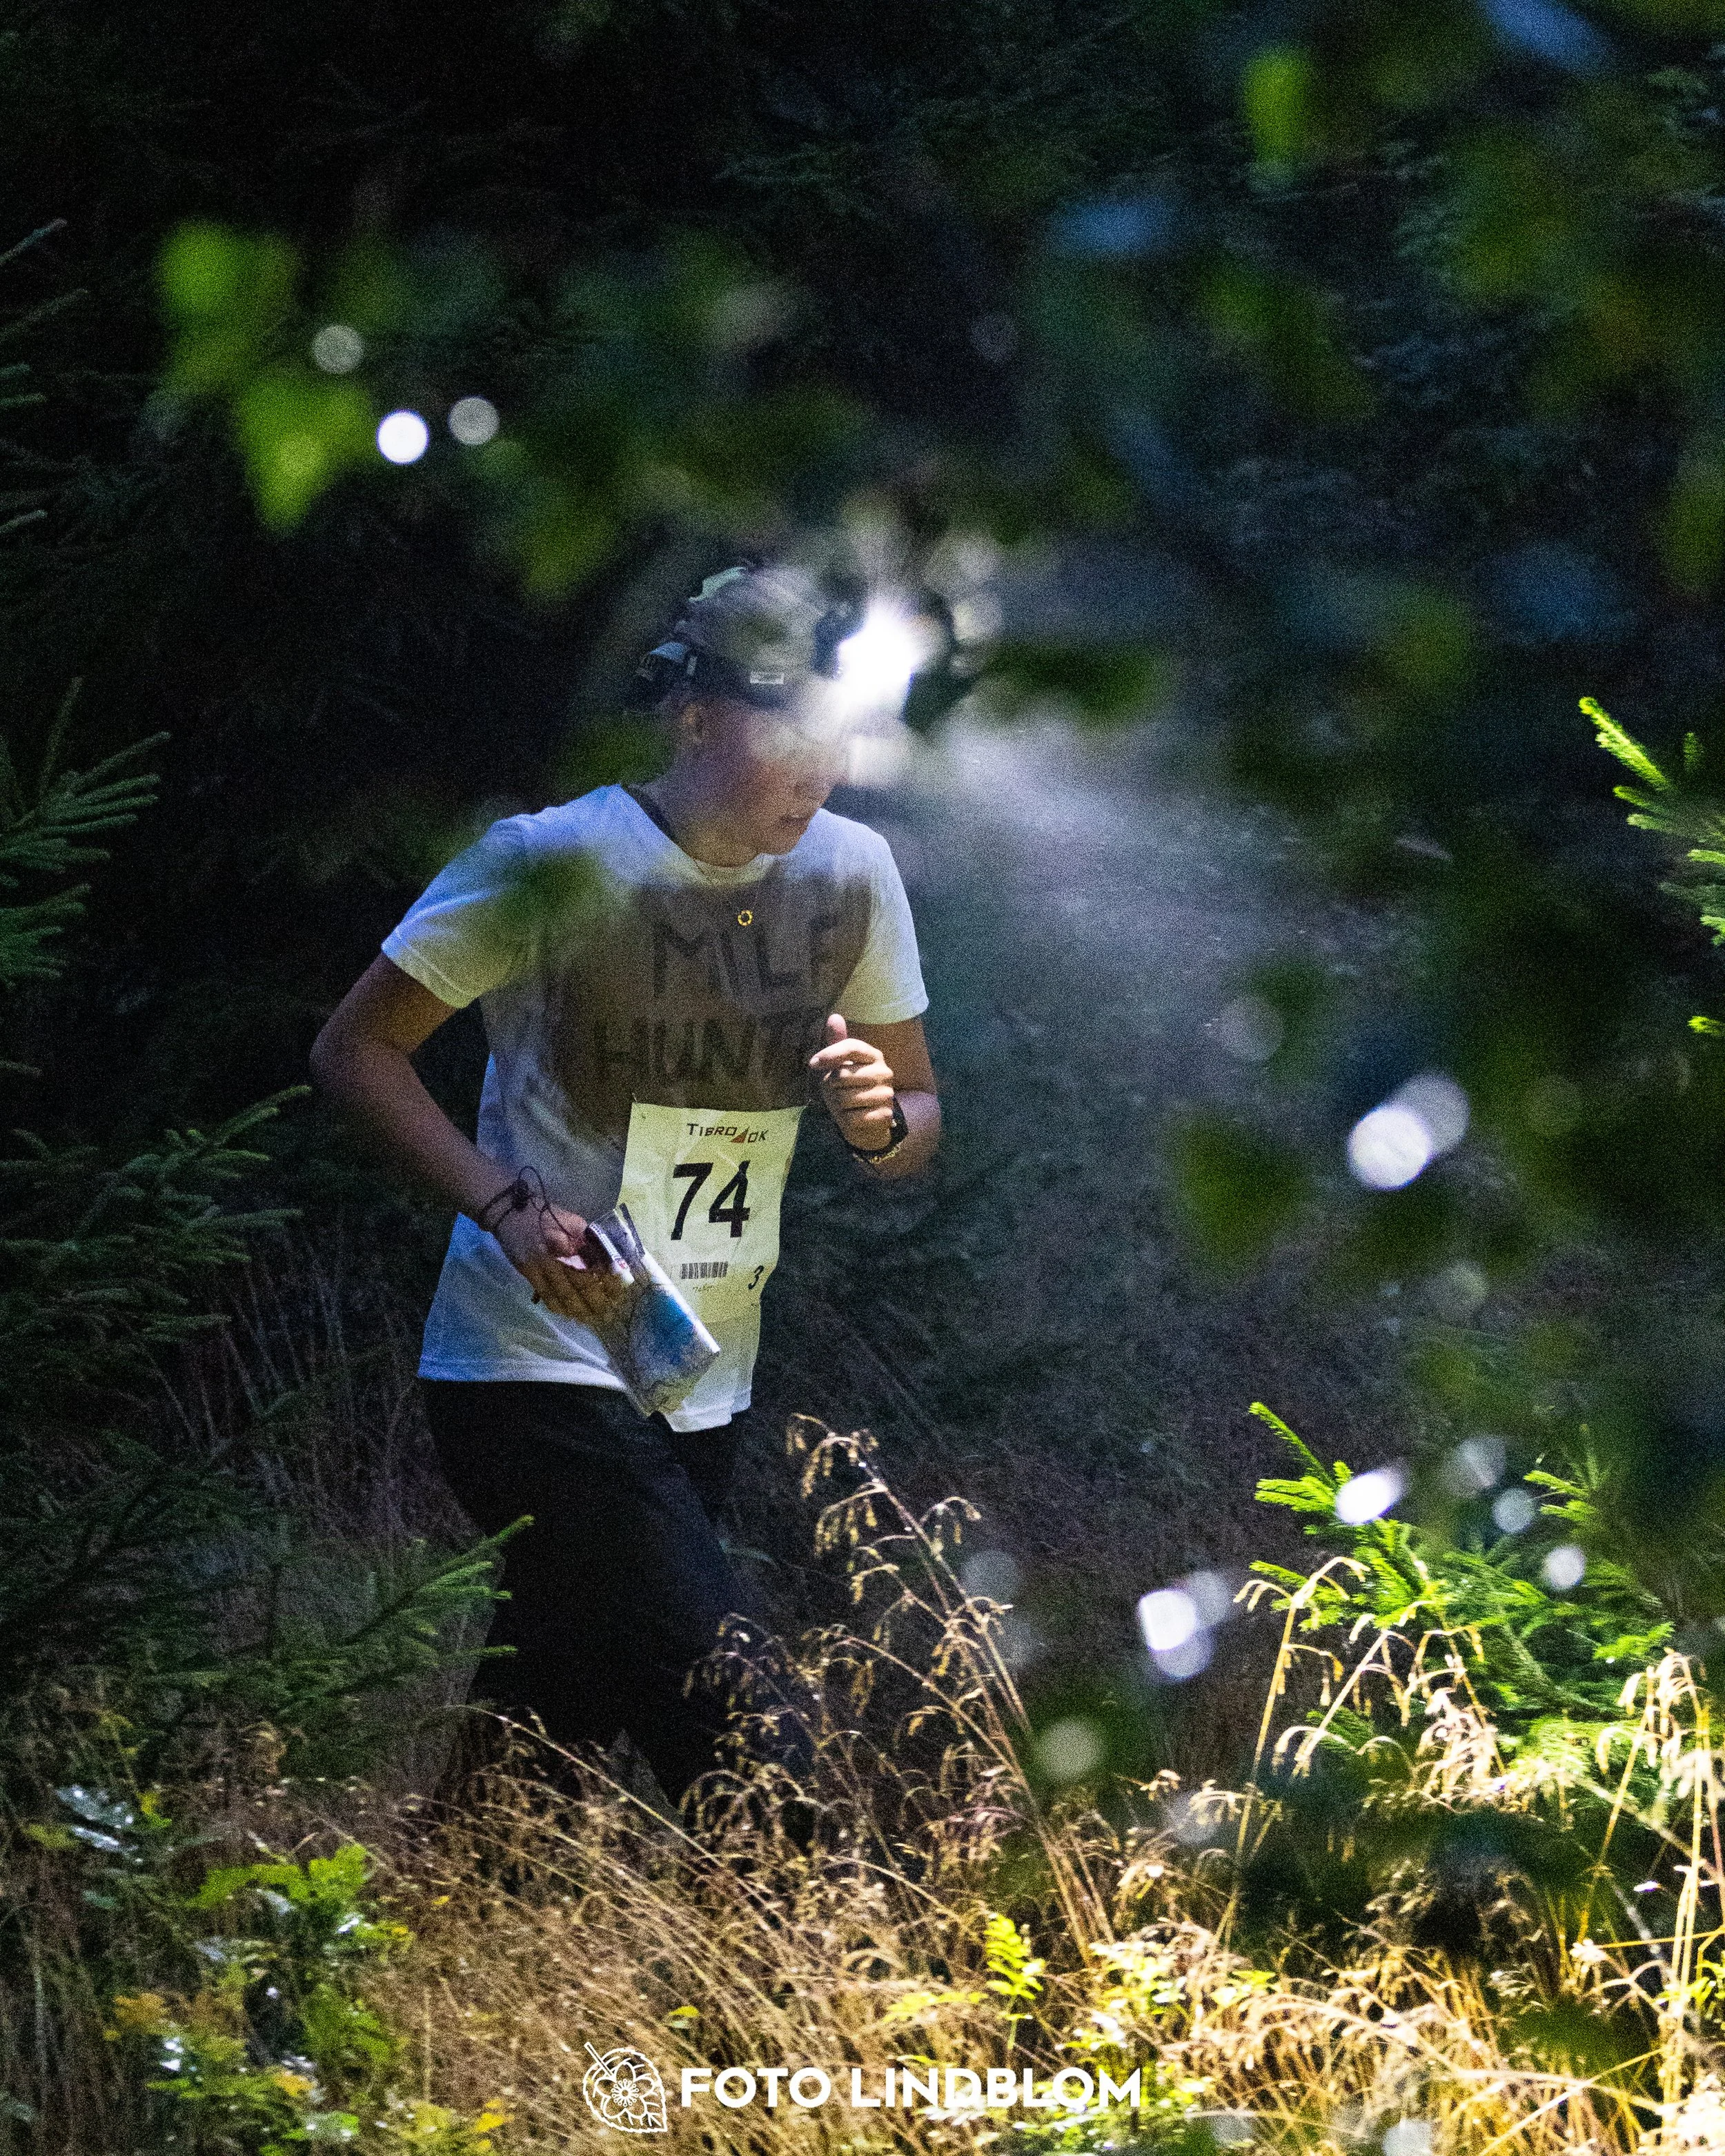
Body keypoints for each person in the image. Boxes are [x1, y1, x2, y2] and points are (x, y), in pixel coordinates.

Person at [310, 564, 940, 1819]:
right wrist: (500, 1205)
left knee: (538, 1757)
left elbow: (918, 1118)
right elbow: (352, 1051)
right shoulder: (552, 861)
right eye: (792, 737)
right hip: (531, 1359)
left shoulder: (853, 874)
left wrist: (880, 1120)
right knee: (742, 1727)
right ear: (696, 718)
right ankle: (822, 1979)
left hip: (698, 1372)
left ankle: (410, 1954)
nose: (821, 773)